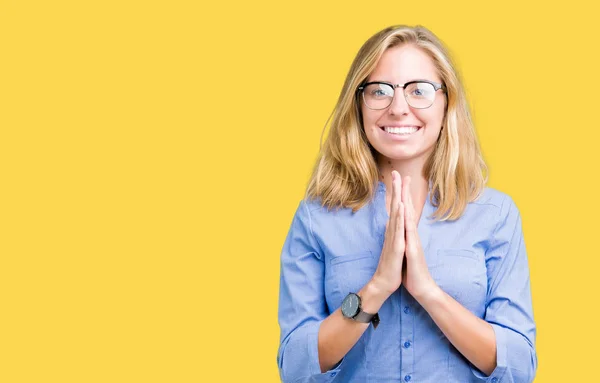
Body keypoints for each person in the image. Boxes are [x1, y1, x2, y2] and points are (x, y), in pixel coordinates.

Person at [276, 25, 537, 383]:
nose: (398, 108)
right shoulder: (316, 218)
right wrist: (376, 288)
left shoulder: (495, 216)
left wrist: (427, 291)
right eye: (380, 91)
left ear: (447, 102)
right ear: (359, 103)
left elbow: (519, 368)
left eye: (419, 91)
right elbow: (295, 367)